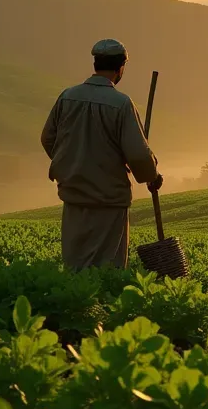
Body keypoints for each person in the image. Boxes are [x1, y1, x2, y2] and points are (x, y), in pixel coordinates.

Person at [41, 39, 162, 271]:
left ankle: (77, 305)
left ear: (95, 64)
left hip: (74, 194)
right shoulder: (121, 104)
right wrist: (152, 175)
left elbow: (48, 138)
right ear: (120, 68)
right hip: (109, 198)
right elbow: (138, 154)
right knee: (107, 265)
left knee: (75, 262)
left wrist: (70, 163)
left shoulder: (68, 97)